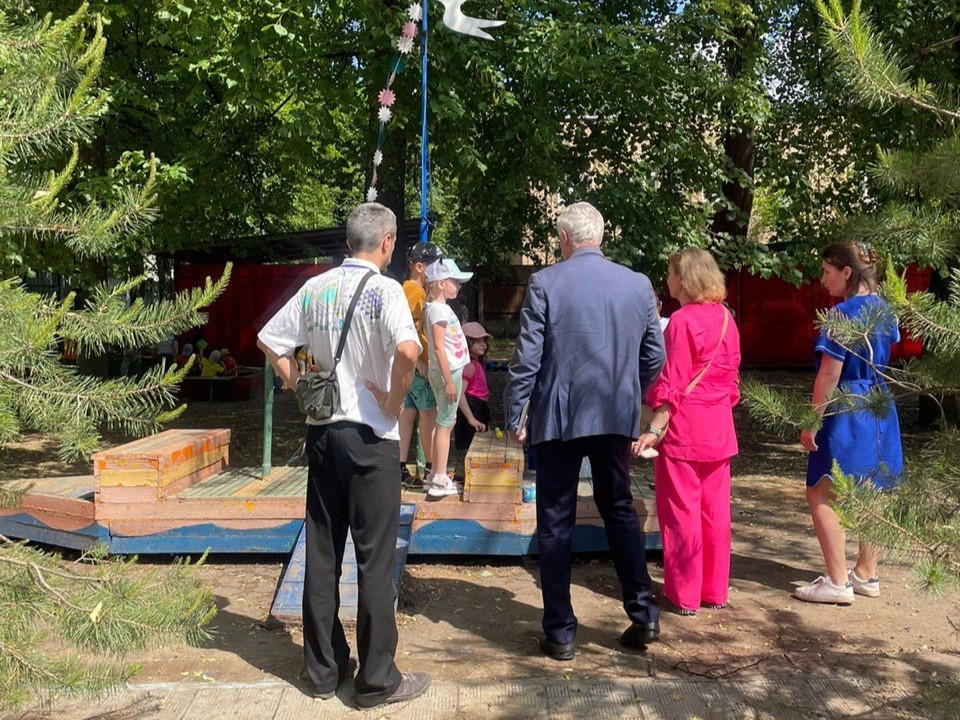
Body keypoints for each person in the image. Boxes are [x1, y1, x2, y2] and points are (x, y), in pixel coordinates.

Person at [257, 202, 430, 709]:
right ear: (387, 242)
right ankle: (376, 681)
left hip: (323, 434)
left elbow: (270, 339)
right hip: (371, 439)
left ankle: (323, 671)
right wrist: (394, 402)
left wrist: (299, 385)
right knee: (374, 559)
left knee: (322, 552)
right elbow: (408, 351)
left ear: (349, 241)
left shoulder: (316, 287)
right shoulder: (387, 290)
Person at [503, 201, 665, 660]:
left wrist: (515, 414)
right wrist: (628, 390)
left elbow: (527, 358)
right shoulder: (637, 284)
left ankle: (560, 632)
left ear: (564, 239)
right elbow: (655, 355)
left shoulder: (545, 282)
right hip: (614, 413)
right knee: (619, 508)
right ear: (601, 236)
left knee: (556, 519)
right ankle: (644, 613)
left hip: (559, 416)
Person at [794, 241, 903, 604]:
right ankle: (867, 574)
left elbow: (830, 373)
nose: (822, 279)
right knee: (873, 486)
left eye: (827, 272)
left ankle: (838, 582)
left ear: (846, 272)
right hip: (879, 402)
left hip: (846, 405)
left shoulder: (840, 315)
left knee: (821, 489)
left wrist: (812, 420)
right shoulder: (885, 310)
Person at [634, 248, 741, 616]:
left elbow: (672, 383)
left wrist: (653, 428)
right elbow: (732, 379)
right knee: (715, 513)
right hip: (719, 427)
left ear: (684, 279)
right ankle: (715, 589)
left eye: (671, 274)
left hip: (684, 429)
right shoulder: (726, 318)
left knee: (681, 512)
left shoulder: (681, 321)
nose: (668, 280)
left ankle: (684, 594)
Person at [422, 258, 474, 498]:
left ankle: (435, 473)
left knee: (442, 422)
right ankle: (440, 478)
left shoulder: (435, 307)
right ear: (441, 283)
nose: (459, 286)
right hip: (447, 372)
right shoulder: (439, 310)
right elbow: (439, 347)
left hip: (445, 371)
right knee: (446, 424)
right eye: (455, 281)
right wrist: (449, 381)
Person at [398, 242, 443, 487]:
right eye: (434, 266)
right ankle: (433, 470)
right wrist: (418, 363)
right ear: (419, 267)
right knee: (429, 414)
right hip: (418, 364)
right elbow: (410, 329)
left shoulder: (409, 289)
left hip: (408, 364)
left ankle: (400, 469)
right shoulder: (414, 291)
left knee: (408, 414)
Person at [454, 322, 492, 452]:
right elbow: (460, 393)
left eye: (484, 341)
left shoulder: (478, 364)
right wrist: (471, 418)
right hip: (471, 409)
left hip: (480, 408)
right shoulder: (469, 366)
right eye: (478, 341)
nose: (483, 344)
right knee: (473, 450)